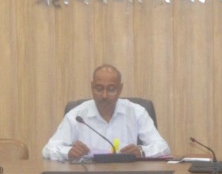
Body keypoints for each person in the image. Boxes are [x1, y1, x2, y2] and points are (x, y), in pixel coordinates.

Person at [41, 65, 170, 161]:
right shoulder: (77, 116)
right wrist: (68, 152)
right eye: (99, 89)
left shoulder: (136, 112)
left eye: (111, 89)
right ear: (92, 87)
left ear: (120, 89)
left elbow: (163, 147)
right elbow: (48, 149)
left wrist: (141, 151)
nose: (104, 95)